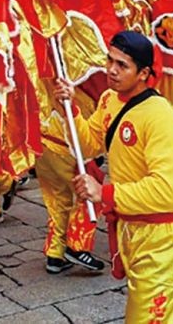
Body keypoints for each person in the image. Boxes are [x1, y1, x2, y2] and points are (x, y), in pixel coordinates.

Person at [64, 31, 173, 324]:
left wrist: (104, 193)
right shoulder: (109, 99)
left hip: (163, 238)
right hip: (131, 227)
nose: (111, 69)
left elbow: (166, 190)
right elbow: (88, 143)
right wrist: (70, 109)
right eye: (109, 60)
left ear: (144, 73)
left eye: (122, 65)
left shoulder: (160, 117)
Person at [34, 88, 107, 275]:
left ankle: (55, 254)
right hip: (67, 144)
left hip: (42, 141)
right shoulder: (69, 68)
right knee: (90, 193)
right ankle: (77, 246)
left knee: (58, 200)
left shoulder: (41, 65)